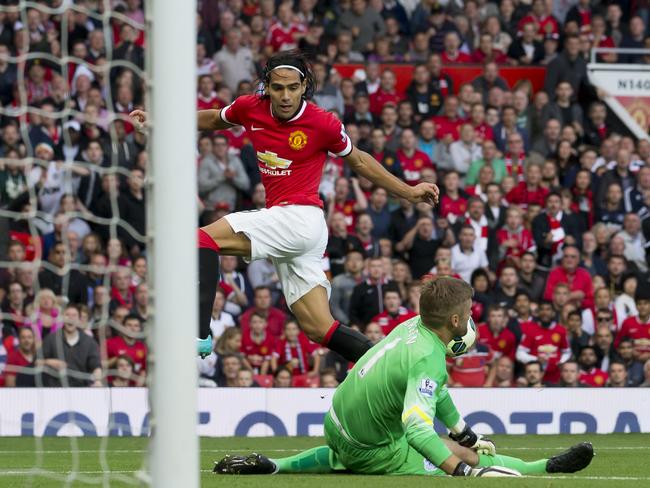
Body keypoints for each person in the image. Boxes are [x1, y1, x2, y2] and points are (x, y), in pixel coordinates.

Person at [130, 50, 438, 360]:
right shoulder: (251, 108)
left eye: (293, 87)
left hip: (301, 219)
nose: (286, 95)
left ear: (304, 85)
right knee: (320, 328)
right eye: (278, 88)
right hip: (295, 232)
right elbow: (213, 118)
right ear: (267, 87)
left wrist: (409, 192)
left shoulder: (323, 123)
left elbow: (359, 160)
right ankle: (387, 366)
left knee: (201, 240)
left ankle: (198, 334)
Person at [215, 277, 594, 477]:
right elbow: (416, 428)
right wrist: (459, 468)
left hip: (335, 422)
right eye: (468, 312)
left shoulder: (411, 326)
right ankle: (542, 468)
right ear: (456, 321)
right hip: (372, 449)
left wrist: (464, 429)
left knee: (349, 454)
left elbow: (436, 392)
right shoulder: (429, 357)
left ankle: (277, 466)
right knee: (462, 456)